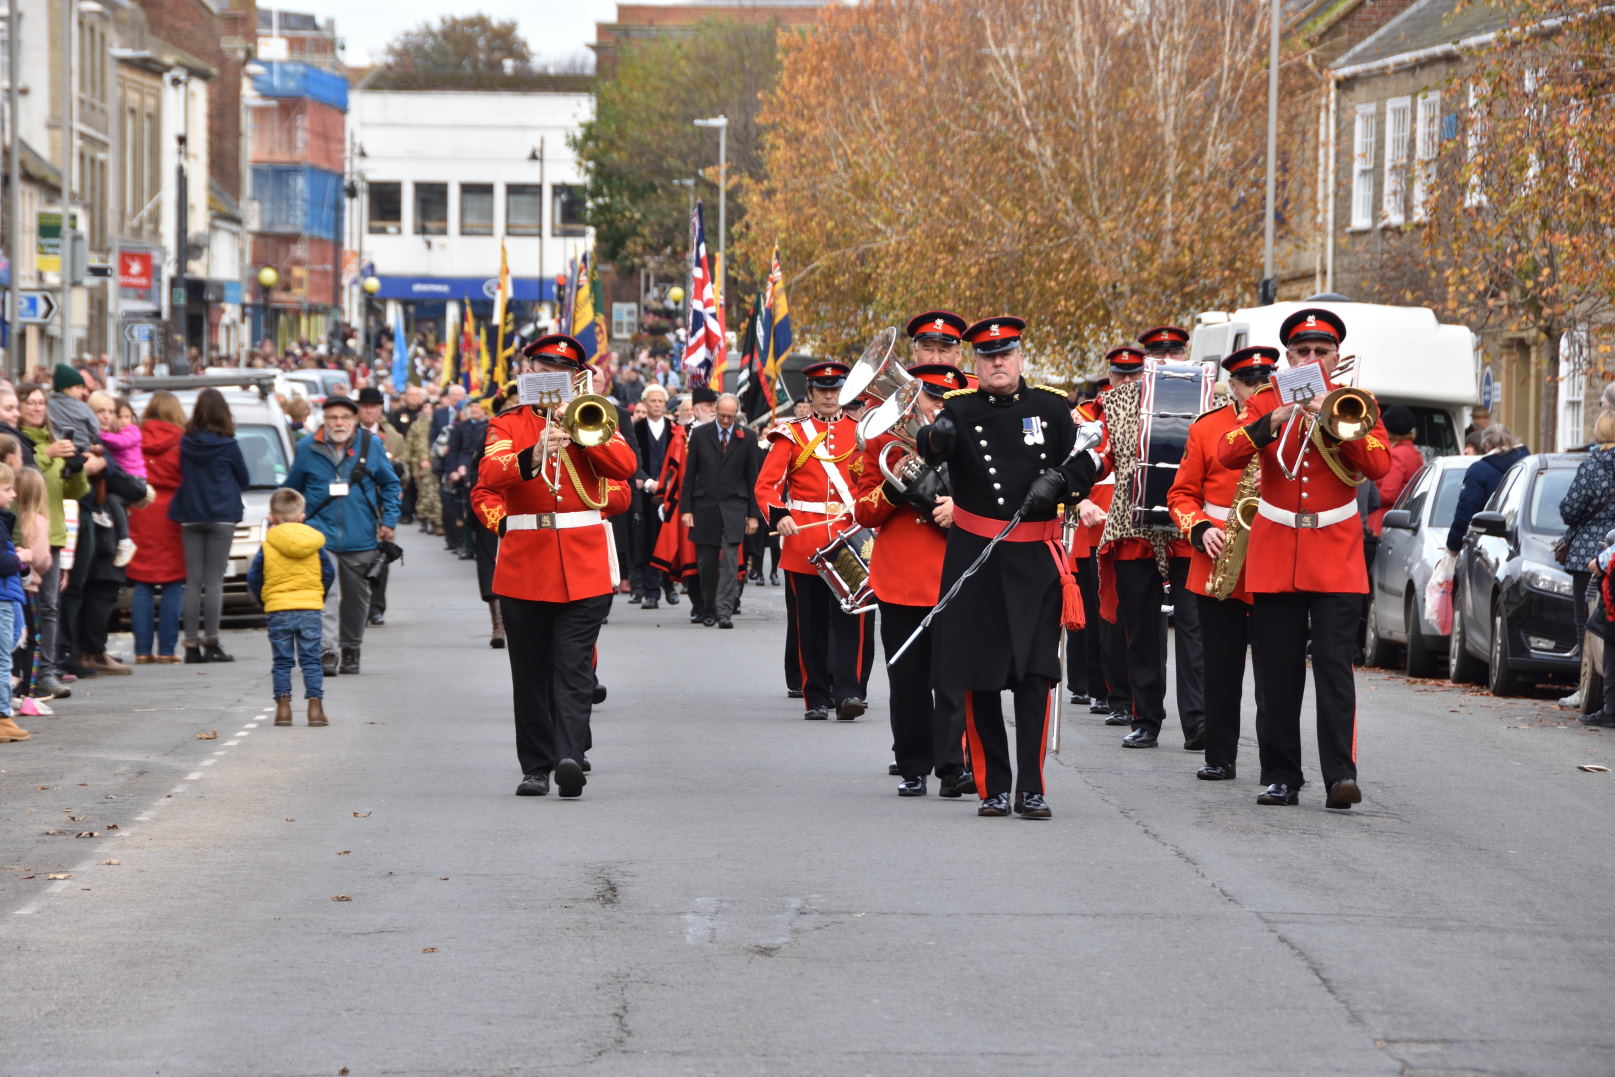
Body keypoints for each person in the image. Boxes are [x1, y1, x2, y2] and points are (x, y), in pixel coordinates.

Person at [915, 316, 1098, 818]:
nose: (997, 362)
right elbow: (928, 452)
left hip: (1035, 561)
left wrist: (1062, 482)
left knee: (1034, 675)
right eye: (987, 355)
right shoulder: (959, 410)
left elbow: (1091, 459)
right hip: (975, 559)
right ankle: (993, 786)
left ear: (1019, 357)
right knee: (979, 676)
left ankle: (1032, 787)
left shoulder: (1051, 407)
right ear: (975, 362)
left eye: (1006, 353)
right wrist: (935, 437)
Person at [1216, 307, 1391, 810]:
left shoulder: (1356, 402)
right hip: (1275, 550)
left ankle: (1341, 776)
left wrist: (1333, 421)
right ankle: (1281, 776)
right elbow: (1227, 452)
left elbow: (1379, 463)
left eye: (1321, 351)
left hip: (1335, 553)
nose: (1312, 358)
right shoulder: (1266, 399)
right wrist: (1270, 421)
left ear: (1337, 356)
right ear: (1287, 356)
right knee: (1277, 672)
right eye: (1302, 351)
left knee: (1335, 669)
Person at [477, 334, 639, 799]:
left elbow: (625, 468)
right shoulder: (506, 424)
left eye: (563, 370)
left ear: (576, 377)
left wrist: (585, 435)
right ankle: (535, 766)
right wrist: (534, 453)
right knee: (528, 673)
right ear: (527, 371)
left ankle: (569, 756)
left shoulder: (595, 415)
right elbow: (489, 476)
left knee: (573, 668)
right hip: (525, 563)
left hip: (584, 562)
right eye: (543, 366)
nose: (552, 375)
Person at [853, 359, 974, 797]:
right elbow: (863, 510)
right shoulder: (885, 439)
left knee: (954, 676)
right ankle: (912, 764)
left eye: (946, 400)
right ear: (913, 396)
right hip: (902, 574)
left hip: (956, 572)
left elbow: (994, 499)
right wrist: (897, 484)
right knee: (907, 678)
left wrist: (957, 508)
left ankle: (953, 765)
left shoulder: (971, 440)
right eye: (931, 396)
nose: (937, 407)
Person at [1165, 346, 1277, 782]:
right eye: (1249, 382)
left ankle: (1275, 762)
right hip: (1219, 555)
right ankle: (1219, 754)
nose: (1257, 389)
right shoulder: (1209, 428)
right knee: (1220, 663)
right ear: (1232, 385)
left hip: (1271, 553)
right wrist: (1199, 529)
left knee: (1273, 668)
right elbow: (1181, 495)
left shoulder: (1287, 423)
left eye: (1265, 380)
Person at [1094, 335, 1205, 750]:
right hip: (1132, 524)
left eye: (1174, 353)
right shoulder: (1119, 400)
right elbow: (1104, 457)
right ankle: (1145, 719)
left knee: (1195, 628)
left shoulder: (1209, 396)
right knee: (1140, 628)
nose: (1166, 360)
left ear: (1186, 356)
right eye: (1156, 355)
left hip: (1187, 528)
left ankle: (1198, 721)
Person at [754, 361, 874, 721]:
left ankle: (850, 692)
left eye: (835, 390)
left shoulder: (862, 432)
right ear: (811, 394)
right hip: (804, 538)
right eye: (822, 391)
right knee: (810, 624)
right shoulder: (790, 434)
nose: (829, 396)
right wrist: (780, 516)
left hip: (849, 538)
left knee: (852, 620)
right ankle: (816, 696)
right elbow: (766, 486)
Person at [284, 395, 401, 676]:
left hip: (361, 535)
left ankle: (351, 648)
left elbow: (391, 483)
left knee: (356, 598)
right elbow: (292, 489)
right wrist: (288, 520)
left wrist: (388, 520)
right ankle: (327, 650)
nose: (339, 423)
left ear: (354, 420)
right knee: (325, 593)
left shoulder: (370, 445)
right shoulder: (306, 448)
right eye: (333, 417)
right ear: (323, 419)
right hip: (318, 536)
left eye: (345, 417)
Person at [19, 381, 92, 699]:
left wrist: (76, 469)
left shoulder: (54, 438)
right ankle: (23, 673)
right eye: (30, 403)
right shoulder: (20, 442)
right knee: (22, 608)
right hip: (23, 534)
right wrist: (49, 455)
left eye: (40, 403)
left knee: (50, 607)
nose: (37, 408)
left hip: (53, 533)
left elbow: (75, 492)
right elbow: (27, 475)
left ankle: (46, 671)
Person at [169, 387, 250, 664]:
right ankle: (212, 640)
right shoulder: (229, 444)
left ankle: (191, 644)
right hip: (221, 515)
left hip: (190, 513)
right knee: (214, 581)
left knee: (192, 581)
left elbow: (178, 472)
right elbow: (245, 478)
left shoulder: (185, 443)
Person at [248, 488, 336, 727]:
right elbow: (328, 573)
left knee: (282, 662)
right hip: (309, 608)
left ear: (272, 517)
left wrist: (266, 600)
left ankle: (283, 709)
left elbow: (255, 578)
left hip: (279, 610)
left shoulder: (268, 546)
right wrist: (318, 596)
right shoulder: (314, 543)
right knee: (310, 661)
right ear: (302, 515)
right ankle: (315, 709)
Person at [681, 393, 762, 629]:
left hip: (735, 507)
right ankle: (708, 609)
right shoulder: (699, 435)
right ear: (715, 411)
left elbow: (752, 478)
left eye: (731, 416)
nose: (726, 421)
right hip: (705, 506)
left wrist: (753, 514)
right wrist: (687, 510)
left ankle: (725, 611)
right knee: (706, 562)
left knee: (729, 561)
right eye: (722, 415)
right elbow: (689, 476)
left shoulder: (747, 437)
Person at [127, 392, 187, 663]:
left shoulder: (136, 437)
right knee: (173, 581)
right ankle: (167, 649)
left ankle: (141, 650)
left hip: (141, 507)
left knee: (143, 581)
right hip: (172, 511)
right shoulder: (181, 440)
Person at [356, 387, 407, 625]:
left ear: (379, 409)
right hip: (357, 503)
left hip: (382, 505)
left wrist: (400, 471)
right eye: (364, 406)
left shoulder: (394, 437)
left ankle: (376, 607)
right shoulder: (350, 434)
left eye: (373, 407)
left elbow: (403, 476)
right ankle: (358, 604)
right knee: (354, 557)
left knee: (381, 556)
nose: (368, 411)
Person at [1559, 413, 1615, 626]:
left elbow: (1570, 511)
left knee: (1586, 626)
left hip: (1588, 555)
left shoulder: (1591, 467)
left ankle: (1587, 659)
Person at [1446, 424, 1528, 557]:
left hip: (1485, 547)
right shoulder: (1528, 466)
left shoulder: (1478, 471)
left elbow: (1466, 510)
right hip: (1522, 543)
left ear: (1486, 445)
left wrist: (1453, 545)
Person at [633, 384, 678, 610]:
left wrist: (669, 485)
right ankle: (651, 592)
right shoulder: (636, 429)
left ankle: (669, 585)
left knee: (669, 540)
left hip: (671, 494)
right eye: (653, 401)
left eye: (661, 401)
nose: (657, 405)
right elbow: (632, 459)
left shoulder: (675, 429)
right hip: (645, 493)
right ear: (645, 403)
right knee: (648, 543)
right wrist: (648, 482)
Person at [12, 467, 51, 716]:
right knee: (35, 640)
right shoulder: (38, 520)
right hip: (31, 587)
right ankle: (29, 690)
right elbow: (42, 559)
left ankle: (12, 686)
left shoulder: (13, 520)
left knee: (16, 639)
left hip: (14, 587)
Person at [1369, 405, 1424, 535]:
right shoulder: (1413, 452)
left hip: (1383, 521)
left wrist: (1366, 497)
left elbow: (1387, 494)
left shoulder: (1397, 454)